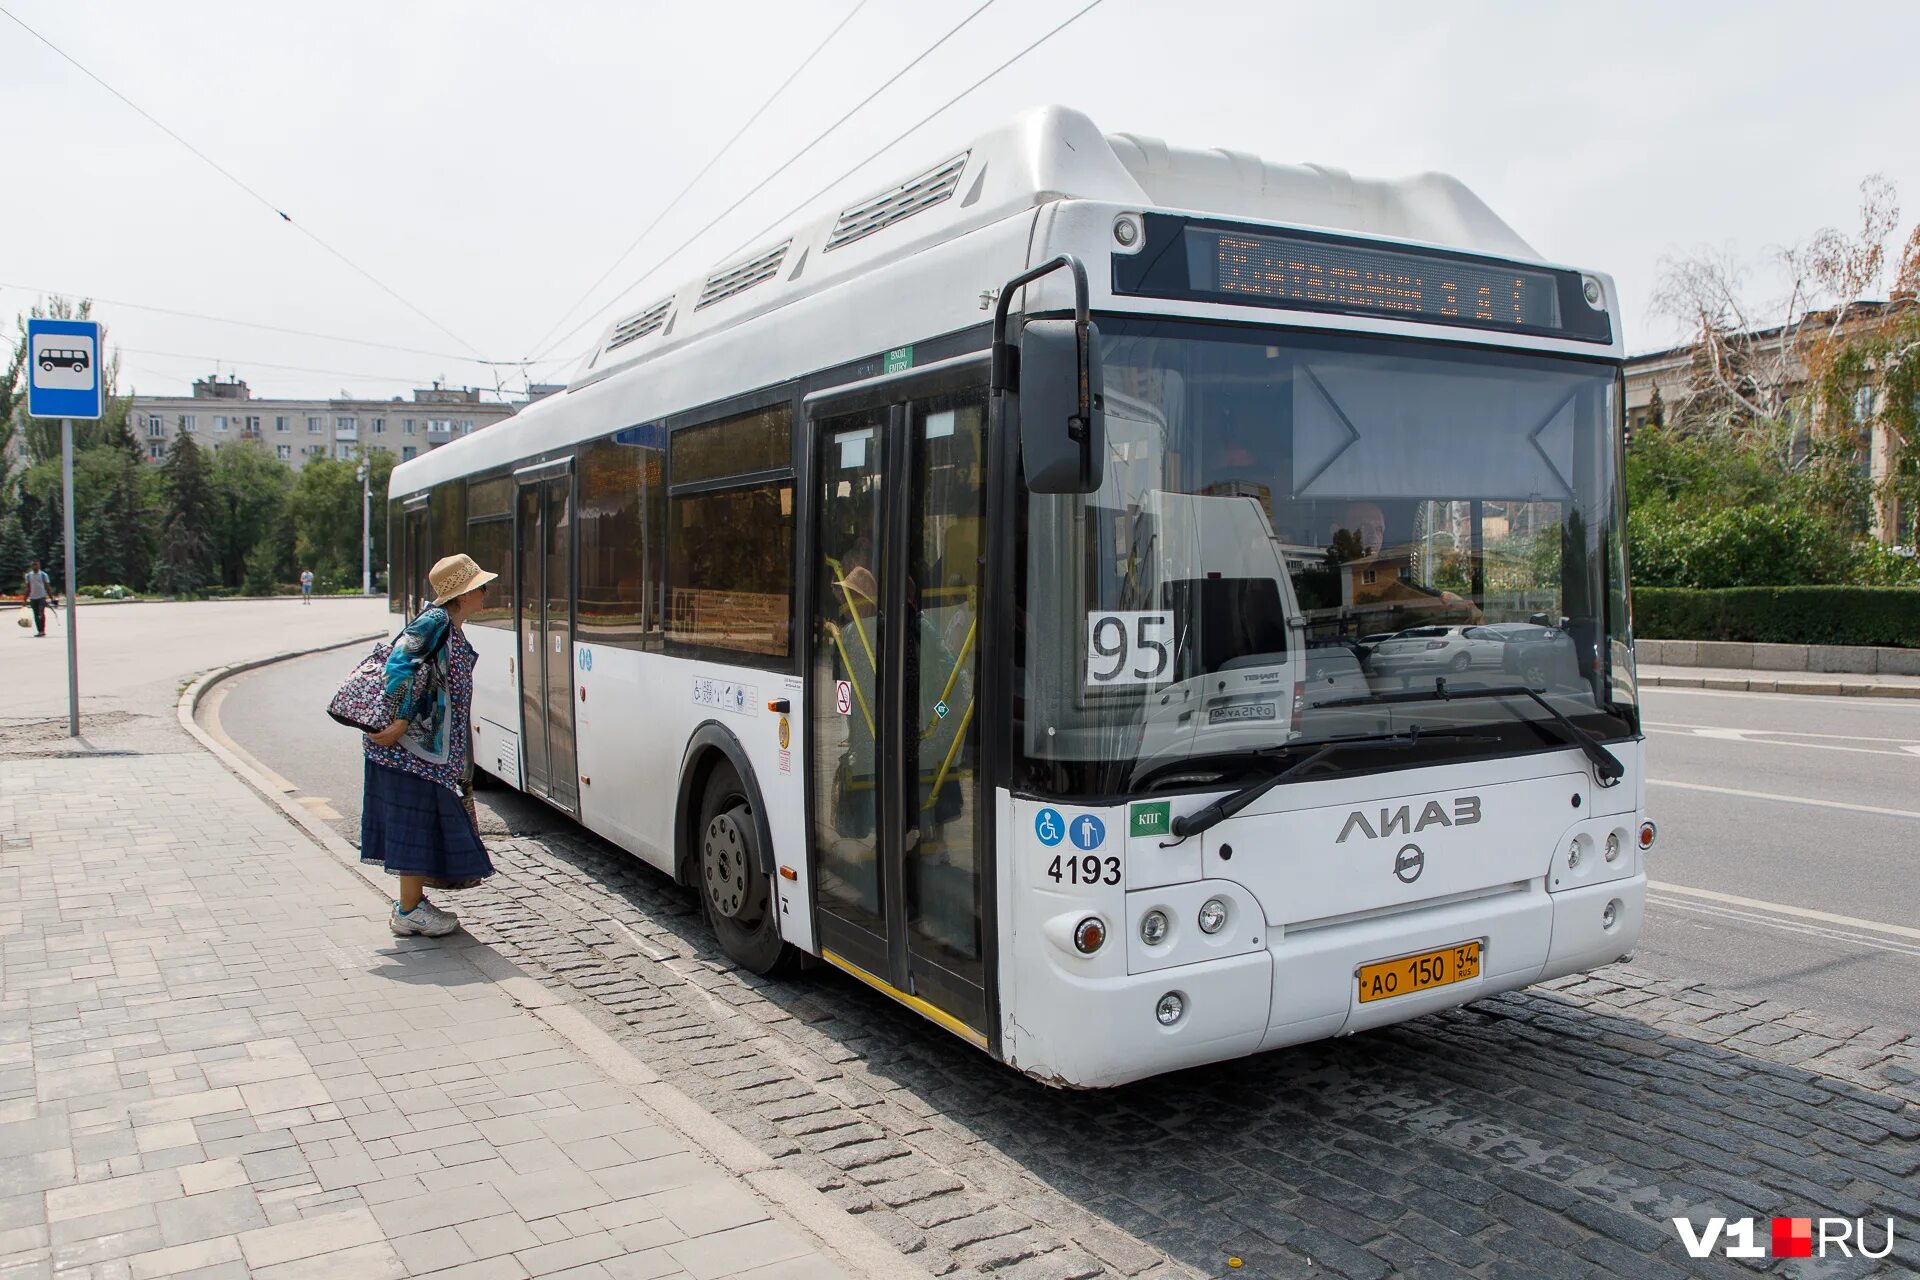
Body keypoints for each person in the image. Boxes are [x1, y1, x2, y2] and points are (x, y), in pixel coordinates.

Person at [362, 553, 498, 937]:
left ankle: (411, 904)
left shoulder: (447, 625)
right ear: (464, 593)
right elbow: (400, 666)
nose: (486, 592)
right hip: (409, 749)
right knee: (414, 822)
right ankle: (408, 911)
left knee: (419, 822)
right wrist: (400, 721)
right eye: (480, 586)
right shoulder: (435, 622)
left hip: (423, 750)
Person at [23, 561, 54, 637]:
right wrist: (25, 599)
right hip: (33, 598)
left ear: (39, 566)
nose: (35, 567)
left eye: (36, 565)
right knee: (36, 615)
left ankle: (43, 630)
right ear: (31, 566)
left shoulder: (43, 575)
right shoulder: (28, 576)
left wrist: (51, 597)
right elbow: (28, 588)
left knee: (41, 613)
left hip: (41, 597)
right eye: (33, 565)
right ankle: (39, 631)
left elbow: (47, 587)